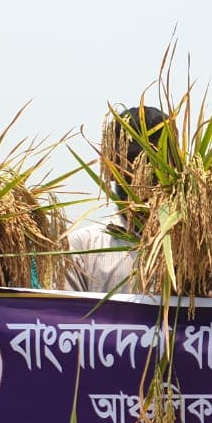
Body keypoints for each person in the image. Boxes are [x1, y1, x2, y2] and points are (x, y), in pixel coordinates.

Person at [63, 105, 167, 294]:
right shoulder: (81, 247)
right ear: (110, 167)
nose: (150, 170)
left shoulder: (209, 248)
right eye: (134, 158)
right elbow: (62, 318)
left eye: (159, 158)